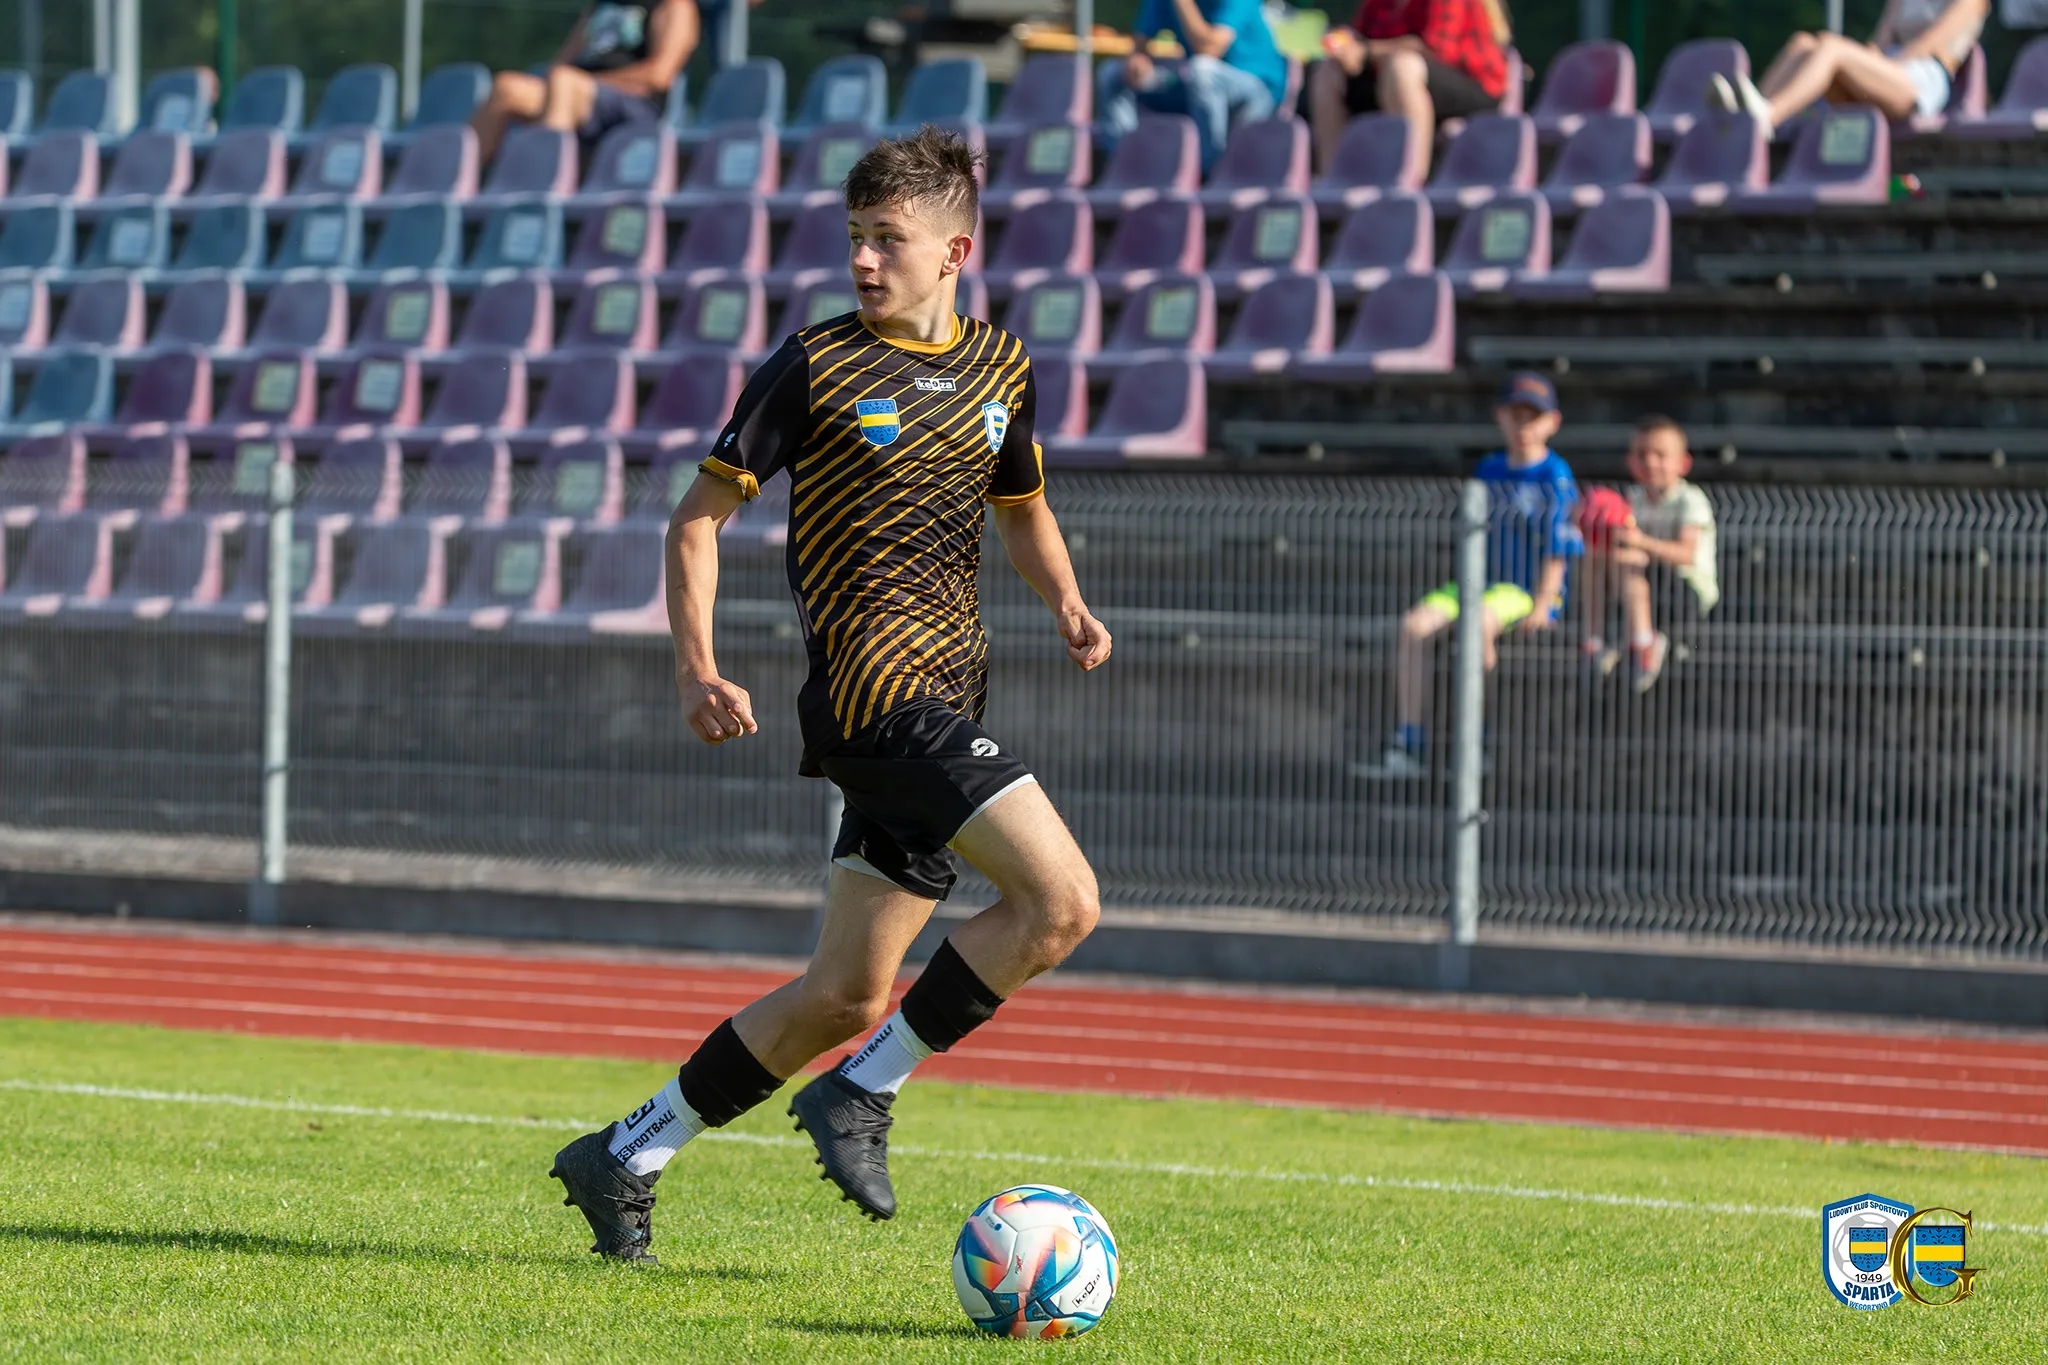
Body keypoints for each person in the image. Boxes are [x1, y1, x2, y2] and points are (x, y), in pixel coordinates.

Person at [548, 127, 1115, 1263]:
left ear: (953, 251)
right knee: (1061, 904)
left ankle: (626, 1152)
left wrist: (1064, 598)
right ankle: (864, 1090)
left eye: (886, 239)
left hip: (949, 693)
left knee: (843, 995)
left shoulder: (1004, 367)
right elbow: (697, 519)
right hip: (876, 698)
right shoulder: (814, 364)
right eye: (854, 237)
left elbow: (1021, 506)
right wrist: (697, 666)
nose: (862, 259)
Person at [1363, 372, 1580, 778]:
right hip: (1475, 583)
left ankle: (1475, 745)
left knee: (1477, 625)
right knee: (1414, 627)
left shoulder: (1555, 474)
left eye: (1533, 417)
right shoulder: (1489, 470)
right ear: (1500, 417)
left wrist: (1545, 603)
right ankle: (1409, 744)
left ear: (1552, 422)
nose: (1523, 426)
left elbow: (1558, 548)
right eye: (1515, 415)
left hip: (1519, 589)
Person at [1579, 415, 1718, 694]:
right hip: (1644, 587)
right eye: (1643, 455)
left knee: (1628, 563)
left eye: (1660, 455)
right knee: (1596, 557)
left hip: (1686, 591)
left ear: (1683, 463)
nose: (1651, 462)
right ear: (1630, 461)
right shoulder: (1634, 497)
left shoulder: (1690, 500)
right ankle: (1594, 639)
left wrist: (1640, 541)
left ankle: (1644, 644)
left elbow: (1686, 554)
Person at [1709, 0, 1987, 138]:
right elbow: (1880, 40)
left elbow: (1928, 44)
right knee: (1803, 44)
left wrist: (1875, 64)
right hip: (1890, 67)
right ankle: (1745, 119)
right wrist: (1869, 59)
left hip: (1922, 78)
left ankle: (1767, 119)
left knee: (1831, 48)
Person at [471, 0, 697, 164]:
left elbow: (659, 76)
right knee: (507, 87)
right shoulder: (601, 6)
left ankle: (544, 180)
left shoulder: (674, 6)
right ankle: (465, 178)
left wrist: (586, 82)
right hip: (575, 92)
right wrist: (565, 81)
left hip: (634, 105)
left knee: (564, 83)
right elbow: (561, 63)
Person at [1306, 0, 1511, 177]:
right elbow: (1360, 42)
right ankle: (1333, 177)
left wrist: (1366, 51)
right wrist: (1346, 46)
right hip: (1397, 83)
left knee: (1402, 67)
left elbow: (1435, 49)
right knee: (1328, 71)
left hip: (1473, 85)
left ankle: (1409, 180)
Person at [1095, 0, 1291, 171]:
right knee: (1113, 73)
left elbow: (1209, 49)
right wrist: (1137, 64)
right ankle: (1125, 167)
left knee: (1202, 70)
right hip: (1195, 83)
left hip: (1256, 89)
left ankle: (1209, 173)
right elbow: (1139, 47)